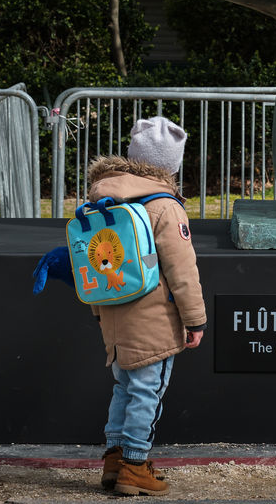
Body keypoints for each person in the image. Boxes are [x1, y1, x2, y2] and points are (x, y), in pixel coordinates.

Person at [88, 115, 206, 496]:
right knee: (147, 390)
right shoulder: (165, 207)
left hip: (113, 310)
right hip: (154, 316)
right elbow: (182, 270)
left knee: (124, 386)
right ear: (171, 165)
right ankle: (135, 466)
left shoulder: (104, 199)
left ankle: (114, 459)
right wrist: (195, 320)